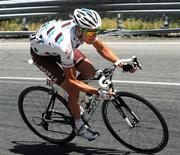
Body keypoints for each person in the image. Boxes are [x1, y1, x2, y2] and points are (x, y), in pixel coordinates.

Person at [30, 8, 137, 141]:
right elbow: (72, 80)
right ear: (79, 30)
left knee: (91, 72)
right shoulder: (65, 45)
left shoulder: (85, 29)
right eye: (92, 33)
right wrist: (97, 92)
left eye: (96, 32)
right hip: (43, 57)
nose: (94, 35)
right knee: (73, 89)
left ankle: (77, 99)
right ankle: (78, 125)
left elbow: (101, 48)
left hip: (55, 45)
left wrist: (121, 63)